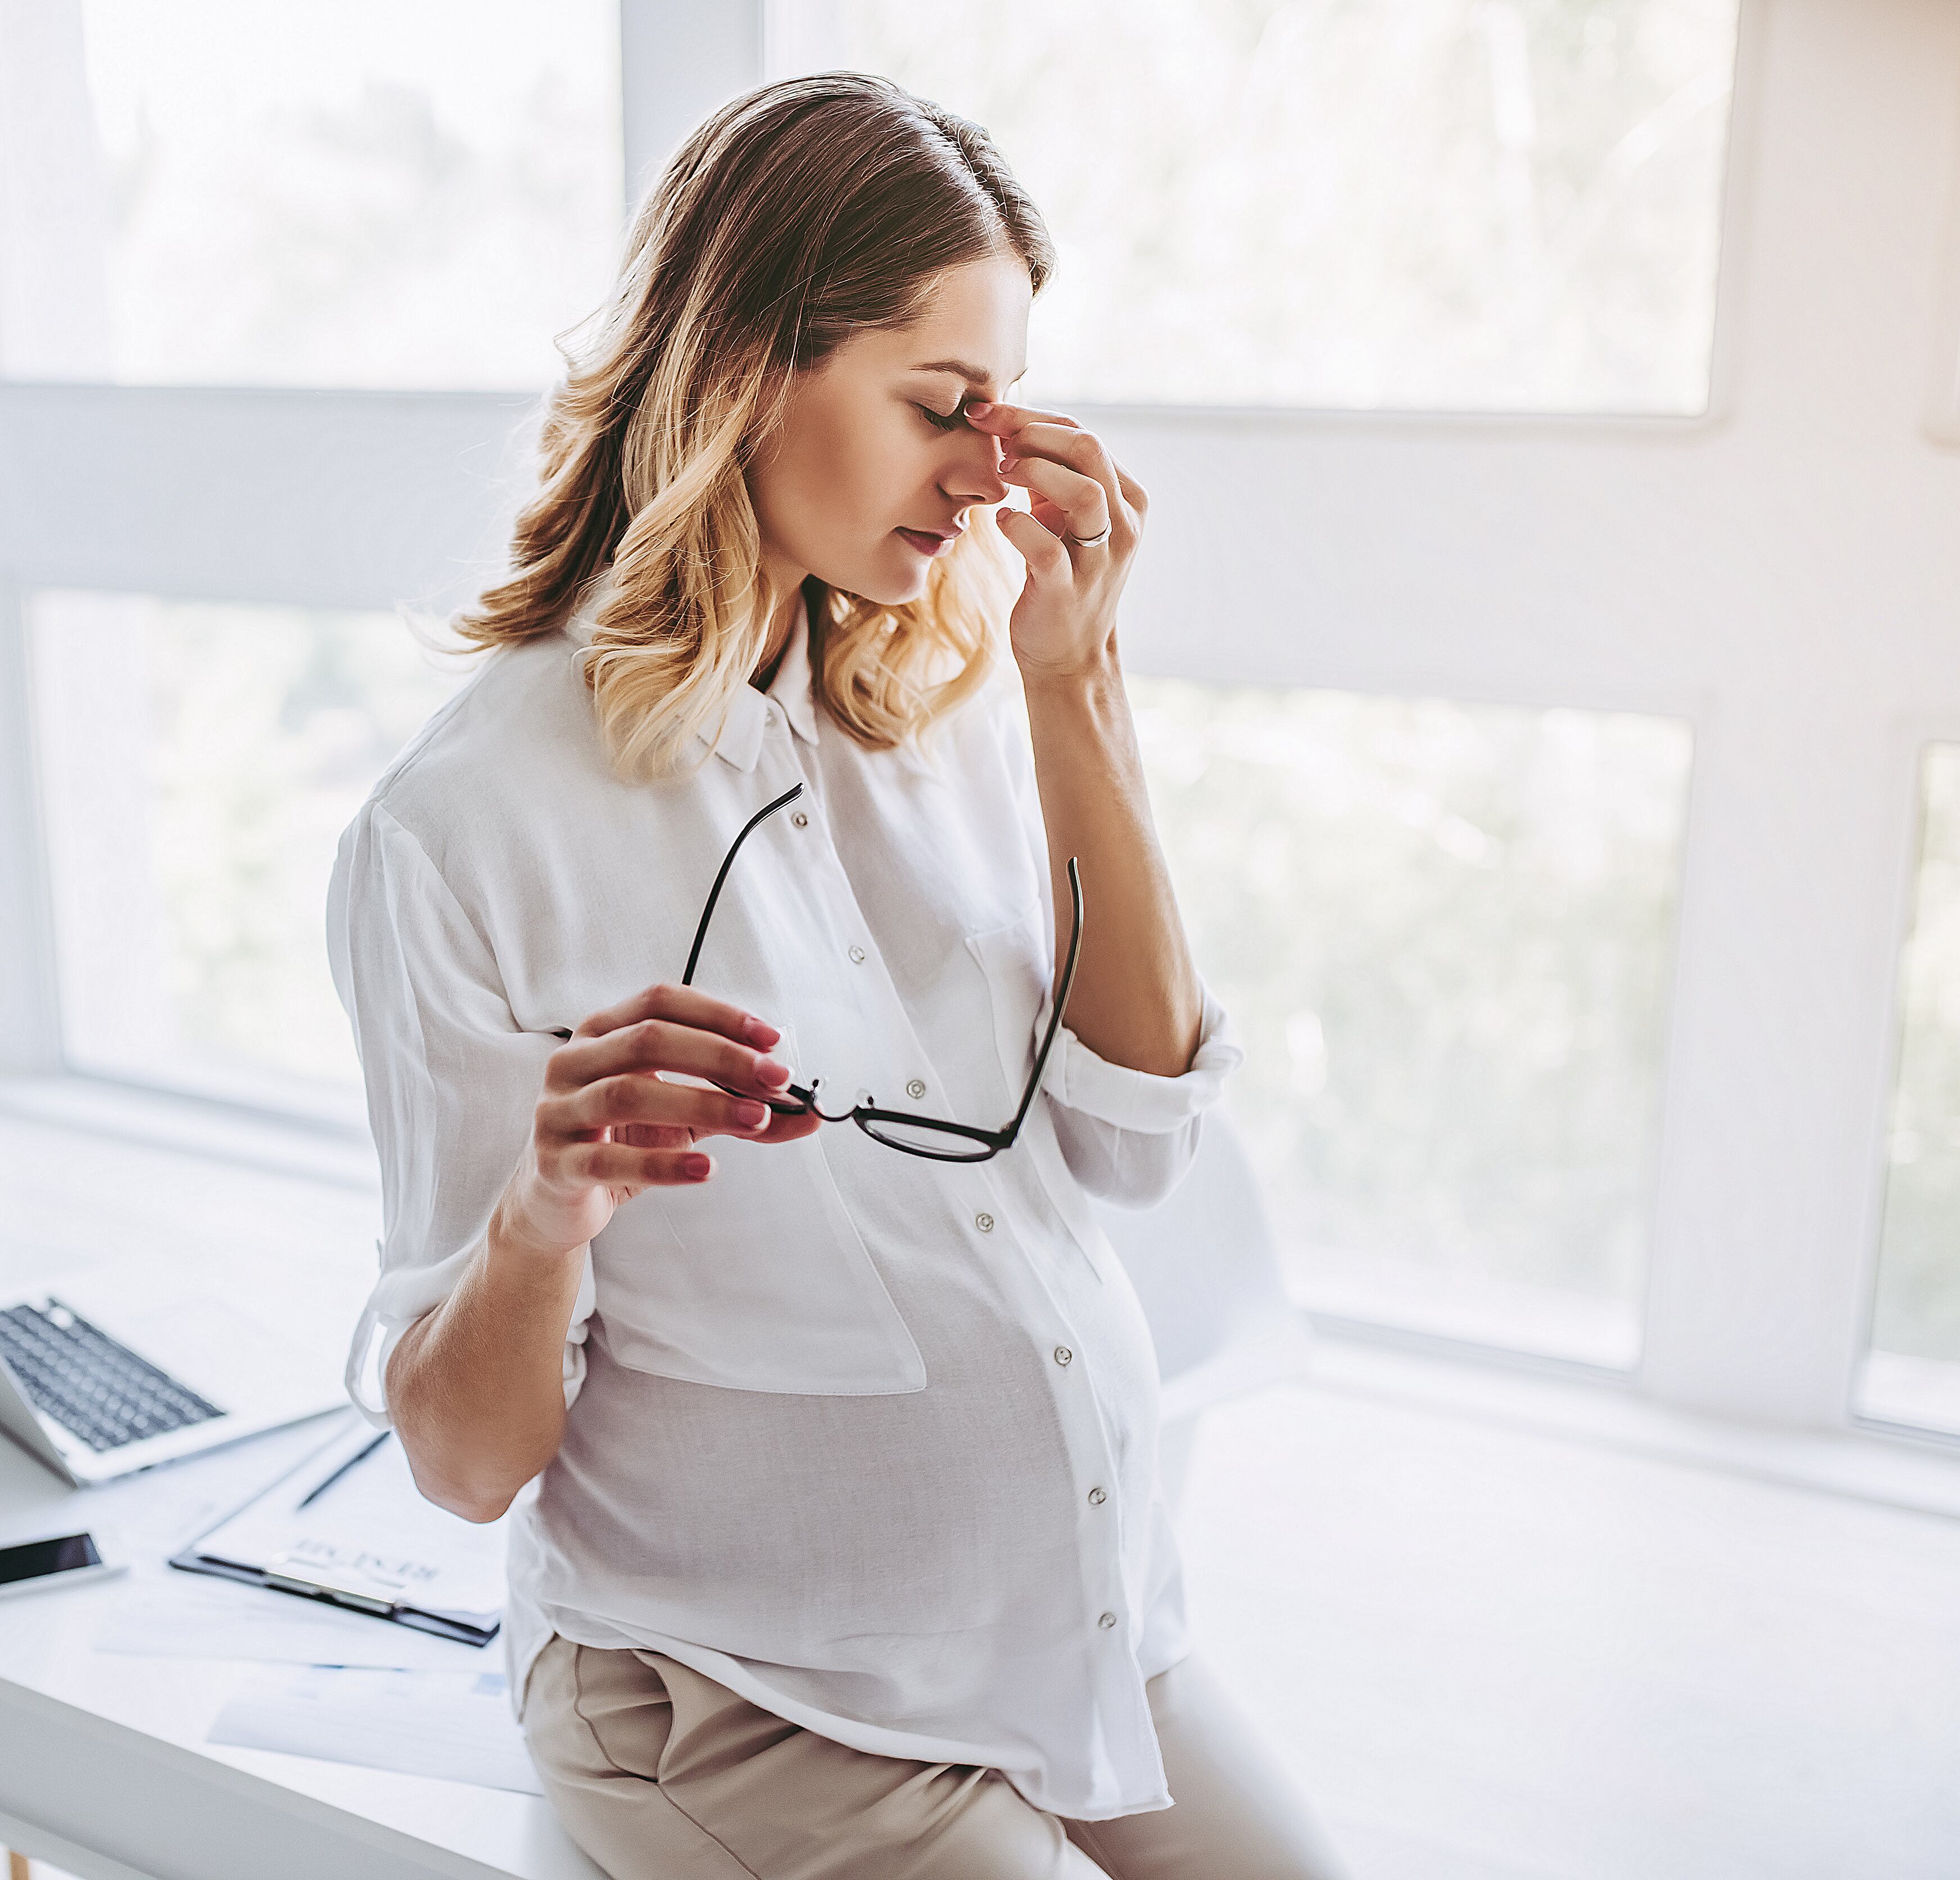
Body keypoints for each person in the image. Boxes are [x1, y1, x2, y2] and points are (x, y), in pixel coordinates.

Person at [324, 72, 1353, 1880]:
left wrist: (1074, 688)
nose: (985, 471)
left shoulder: (936, 699)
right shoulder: (469, 825)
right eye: (938, 405)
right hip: (752, 1707)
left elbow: (1132, 1144)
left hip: (1078, 1633)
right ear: (743, 368)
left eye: (1005, 413)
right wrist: (543, 1212)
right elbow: (466, 1462)